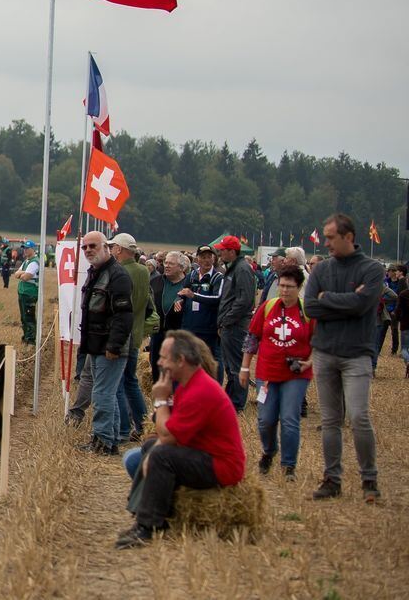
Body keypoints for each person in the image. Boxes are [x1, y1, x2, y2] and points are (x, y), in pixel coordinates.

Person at [115, 330, 246, 549]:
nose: (158, 362)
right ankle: (140, 511)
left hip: (221, 466)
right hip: (204, 454)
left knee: (160, 455)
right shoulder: (190, 384)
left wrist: (160, 400)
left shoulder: (201, 390)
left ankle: (148, 526)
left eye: (164, 358)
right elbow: (167, 432)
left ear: (181, 360)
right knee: (150, 446)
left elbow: (167, 435)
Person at [303, 213, 384, 502]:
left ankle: (369, 479)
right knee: (330, 420)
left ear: (348, 237)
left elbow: (363, 305)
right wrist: (341, 301)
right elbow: (310, 307)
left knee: (359, 417)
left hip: (357, 354)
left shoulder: (372, 269)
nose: (325, 243)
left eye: (330, 237)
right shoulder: (322, 270)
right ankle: (332, 479)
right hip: (324, 353)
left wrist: (328, 299)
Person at [241, 266, 315, 479]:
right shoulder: (268, 306)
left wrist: (309, 362)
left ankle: (288, 465)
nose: (284, 290)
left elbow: (320, 341)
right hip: (267, 372)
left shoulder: (308, 312)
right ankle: (269, 451)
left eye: (289, 287)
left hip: (296, 374)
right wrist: (245, 368)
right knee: (265, 419)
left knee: (290, 418)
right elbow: (252, 338)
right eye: (281, 285)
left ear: (299, 287)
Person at [75, 231, 134, 455]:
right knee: (106, 393)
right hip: (95, 344)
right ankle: (112, 438)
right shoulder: (95, 272)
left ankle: (103, 442)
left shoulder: (117, 276)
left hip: (110, 347)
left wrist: (114, 346)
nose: (88, 250)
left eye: (93, 246)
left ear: (106, 247)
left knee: (102, 395)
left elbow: (124, 315)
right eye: (85, 247)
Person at [109, 233, 150, 444]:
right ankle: (143, 425)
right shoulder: (144, 270)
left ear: (120, 249)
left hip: (122, 334)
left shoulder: (121, 272)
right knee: (131, 382)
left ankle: (123, 428)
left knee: (117, 384)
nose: (110, 250)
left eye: (113, 247)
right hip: (136, 333)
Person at [215, 236, 257, 413]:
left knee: (236, 366)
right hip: (230, 325)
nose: (220, 252)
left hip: (236, 326)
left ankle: (238, 402)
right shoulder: (233, 269)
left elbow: (245, 300)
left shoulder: (242, 270)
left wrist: (227, 319)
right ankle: (231, 399)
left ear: (232, 252)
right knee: (231, 366)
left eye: (223, 250)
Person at [178, 245, 224, 380]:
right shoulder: (191, 275)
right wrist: (179, 300)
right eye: (203, 257)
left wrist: (194, 296)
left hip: (208, 329)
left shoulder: (218, 277)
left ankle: (215, 389)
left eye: (209, 257)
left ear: (214, 259)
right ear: (197, 259)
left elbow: (217, 298)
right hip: (190, 327)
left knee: (211, 361)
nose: (207, 260)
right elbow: (182, 293)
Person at [151, 251, 190, 382]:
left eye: (171, 264)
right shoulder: (155, 281)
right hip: (158, 332)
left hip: (178, 334)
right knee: (156, 364)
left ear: (181, 267)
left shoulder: (189, 284)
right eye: (165, 262)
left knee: (176, 367)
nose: (166, 266)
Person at [13, 241, 41, 346]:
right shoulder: (27, 261)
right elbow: (16, 274)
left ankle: (31, 340)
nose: (25, 250)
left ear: (33, 249)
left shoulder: (34, 262)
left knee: (29, 317)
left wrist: (22, 274)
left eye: (27, 248)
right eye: (24, 248)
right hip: (23, 292)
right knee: (24, 317)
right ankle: (26, 338)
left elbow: (25, 277)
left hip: (30, 293)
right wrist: (22, 273)